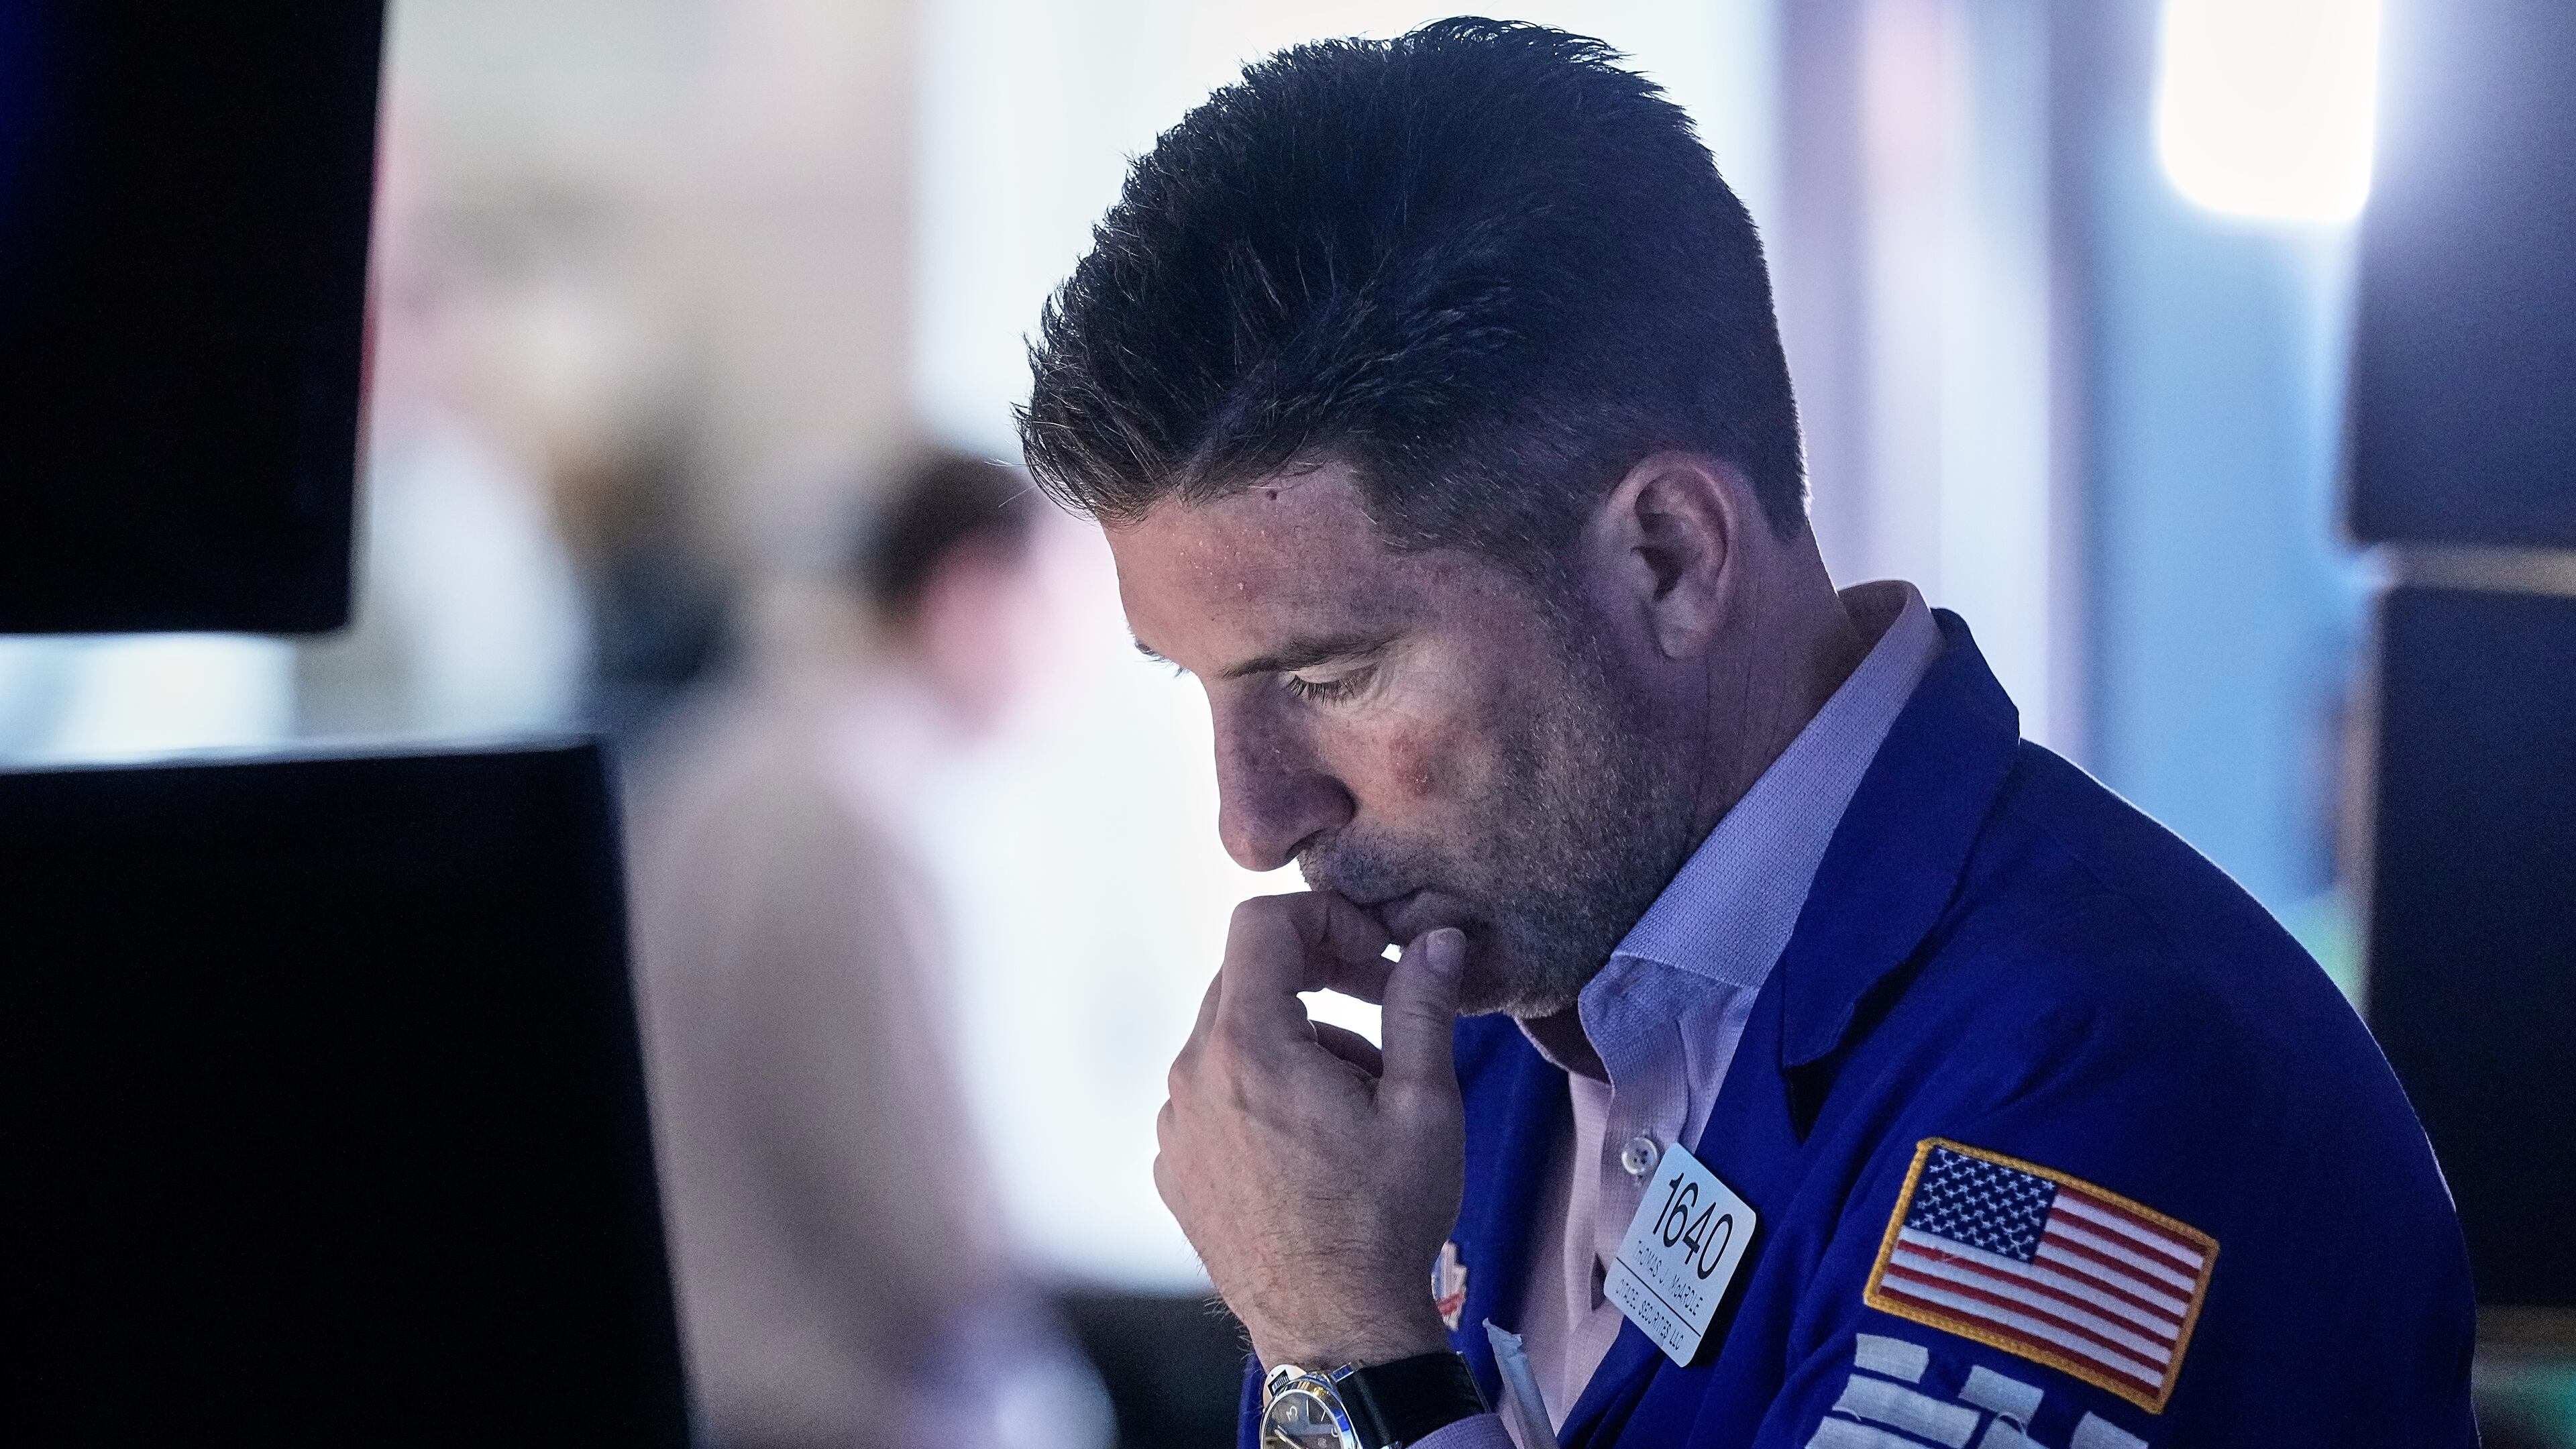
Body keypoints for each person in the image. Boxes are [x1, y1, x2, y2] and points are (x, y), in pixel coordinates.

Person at [1016, 19, 2477, 1449]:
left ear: (1669, 556)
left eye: (1329, 677)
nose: (1254, 822)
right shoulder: (1486, 1046)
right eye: (1196, 687)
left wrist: (1347, 1353)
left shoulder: (2103, 1071)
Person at [629, 451, 1097, 1449]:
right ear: (972, 596)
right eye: (1058, 611)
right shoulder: (858, 819)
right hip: (836, 1412)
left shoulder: (718, 755)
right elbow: (928, 1240)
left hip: (705, 1381)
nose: (1074, 660)